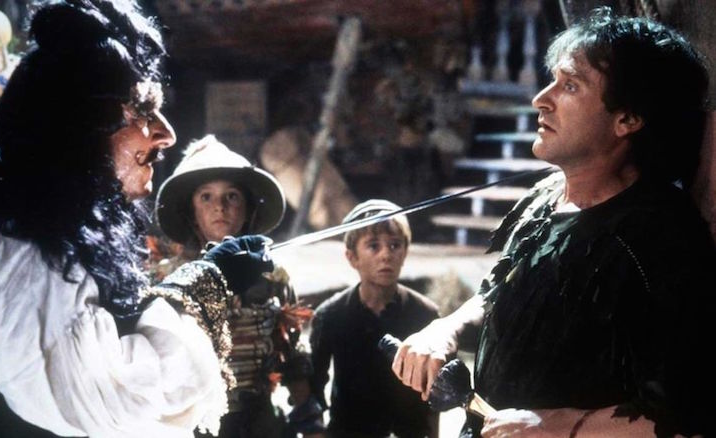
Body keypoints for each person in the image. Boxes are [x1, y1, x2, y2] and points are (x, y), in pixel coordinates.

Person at [391, 8, 715, 438]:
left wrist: (561, 427)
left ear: (628, 119)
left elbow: (687, 407)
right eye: (553, 80)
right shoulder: (543, 198)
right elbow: (498, 295)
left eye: (571, 85)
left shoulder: (660, 236)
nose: (541, 99)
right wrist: (445, 328)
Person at [0, 1, 273, 437]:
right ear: (80, 128)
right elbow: (116, 399)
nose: (166, 134)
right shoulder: (22, 248)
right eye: (141, 111)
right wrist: (198, 287)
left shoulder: (56, 227)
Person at [154, 134, 318, 438]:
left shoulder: (272, 276)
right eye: (206, 197)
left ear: (248, 209)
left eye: (231, 196)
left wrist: (309, 420)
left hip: (258, 417)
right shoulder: (169, 280)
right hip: (193, 419)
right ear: (192, 213)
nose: (219, 207)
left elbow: (293, 353)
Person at [310, 199, 440, 438]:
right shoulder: (330, 315)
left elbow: (434, 394)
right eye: (373, 246)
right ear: (352, 257)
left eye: (395, 245)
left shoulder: (425, 314)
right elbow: (313, 387)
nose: (386, 255)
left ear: (405, 252)